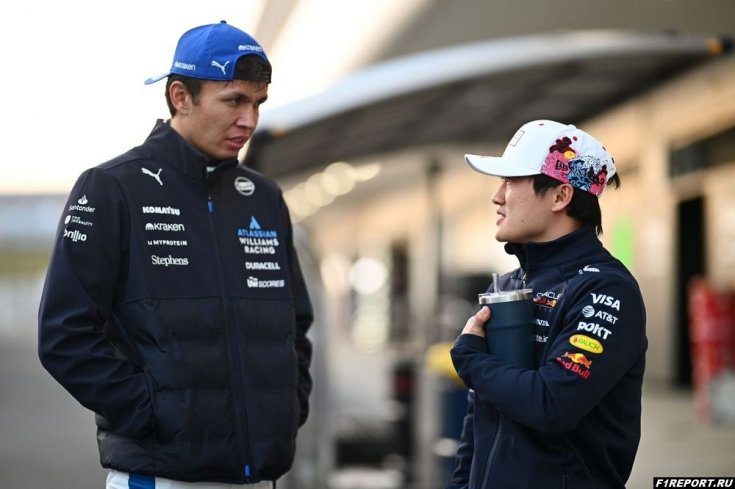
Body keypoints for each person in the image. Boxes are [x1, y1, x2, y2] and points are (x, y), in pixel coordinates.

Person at [38, 21, 313, 489]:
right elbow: (65, 334)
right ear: (181, 96)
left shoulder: (264, 198)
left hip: (261, 475)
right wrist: (154, 414)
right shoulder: (112, 188)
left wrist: (287, 409)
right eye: (234, 101)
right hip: (163, 475)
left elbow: (295, 326)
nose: (249, 121)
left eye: (258, 103)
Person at [447, 120, 647, 489]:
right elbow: (479, 418)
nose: (497, 197)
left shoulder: (605, 288)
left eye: (511, 181)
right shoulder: (507, 286)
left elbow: (553, 404)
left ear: (560, 196)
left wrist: (472, 360)